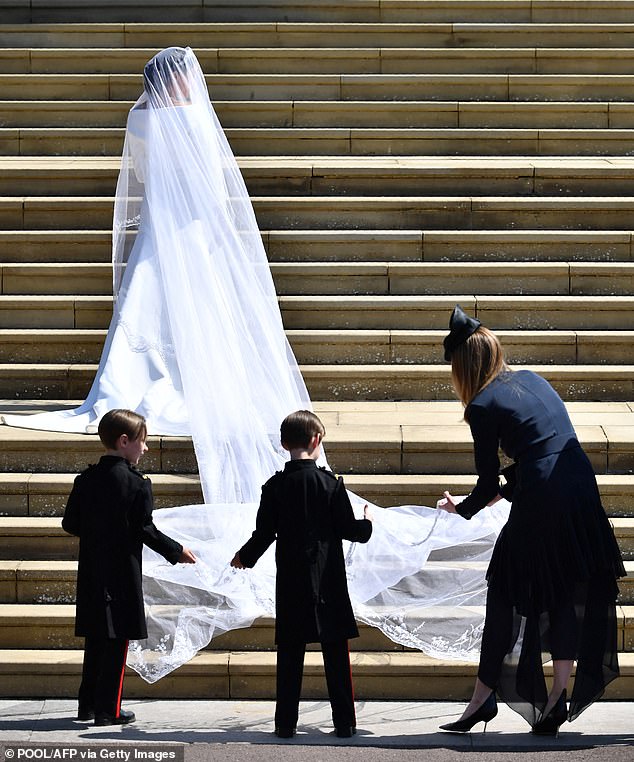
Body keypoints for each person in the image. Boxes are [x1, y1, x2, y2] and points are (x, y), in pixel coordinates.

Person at [436, 305, 625, 735]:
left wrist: (462, 507)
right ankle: (558, 695)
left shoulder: (481, 405)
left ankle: (483, 698)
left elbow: (489, 482)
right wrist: (494, 495)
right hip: (578, 481)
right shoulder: (531, 378)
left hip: (545, 494)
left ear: (463, 368)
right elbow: (541, 450)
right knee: (556, 586)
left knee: (503, 584)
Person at [230, 410, 373, 739]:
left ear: (283, 444)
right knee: (335, 652)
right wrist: (368, 523)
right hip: (328, 579)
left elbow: (264, 533)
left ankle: (285, 724)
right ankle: (345, 724)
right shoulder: (330, 484)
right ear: (317, 440)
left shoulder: (274, 486)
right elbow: (350, 531)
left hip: (292, 579)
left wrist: (244, 557)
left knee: (291, 654)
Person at [62, 409, 197, 726]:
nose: (146, 448)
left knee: (95, 638)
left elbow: (71, 523)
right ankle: (109, 709)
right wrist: (176, 551)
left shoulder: (86, 479)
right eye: (142, 441)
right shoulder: (136, 484)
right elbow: (144, 529)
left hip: (93, 572)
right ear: (125, 442)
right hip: (122, 572)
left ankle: (89, 705)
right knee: (117, 641)